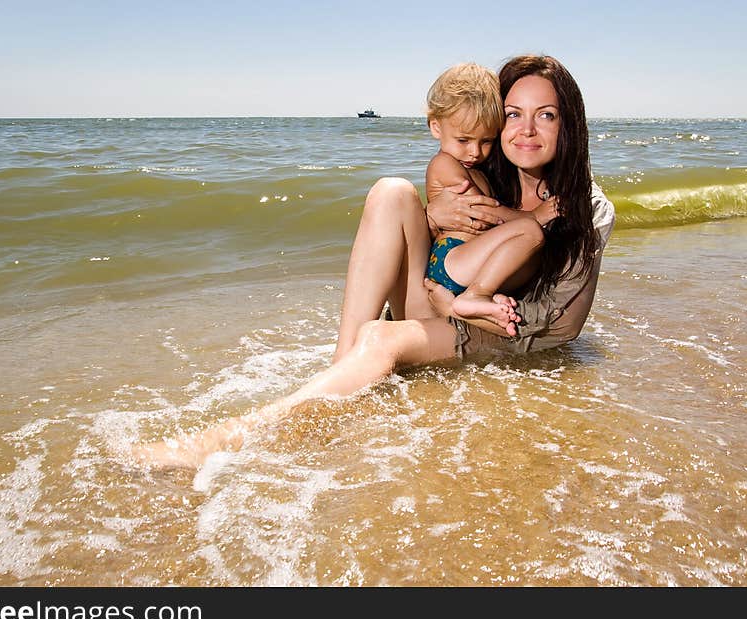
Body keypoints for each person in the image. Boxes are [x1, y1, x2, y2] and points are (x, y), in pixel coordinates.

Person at [133, 54, 616, 469]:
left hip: (494, 326)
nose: (526, 130)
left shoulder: (586, 207)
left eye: (547, 115)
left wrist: (458, 307)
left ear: (568, 124)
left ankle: (231, 438)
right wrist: (433, 216)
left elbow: (563, 327)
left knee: (382, 339)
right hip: (439, 300)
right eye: (513, 114)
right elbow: (442, 254)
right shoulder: (485, 172)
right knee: (391, 192)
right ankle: (342, 371)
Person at [422, 63, 557, 337]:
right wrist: (535, 216)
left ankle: (478, 304)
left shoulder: (476, 170)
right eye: (463, 140)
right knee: (530, 232)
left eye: (486, 141)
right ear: (436, 127)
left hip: (467, 264)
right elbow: (485, 216)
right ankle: (475, 296)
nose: (474, 152)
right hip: (452, 259)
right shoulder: (443, 165)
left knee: (532, 256)